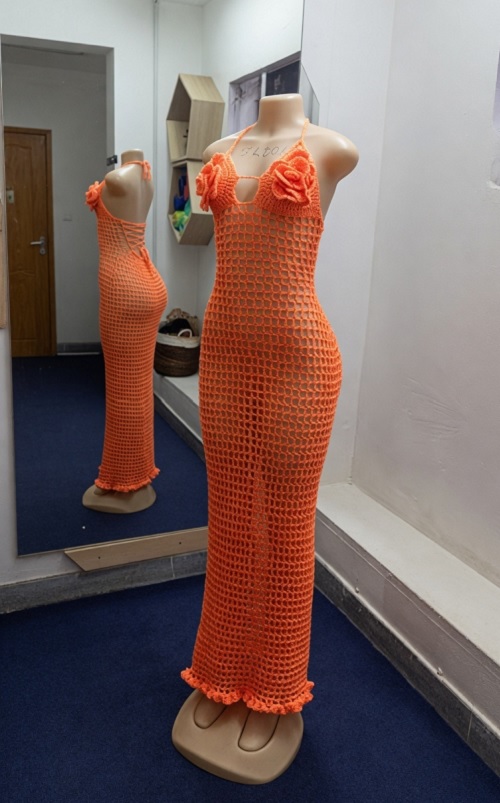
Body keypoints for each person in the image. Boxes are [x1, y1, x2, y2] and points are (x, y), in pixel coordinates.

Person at [172, 95, 358, 783]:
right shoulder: (220, 150)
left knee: (283, 531)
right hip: (224, 354)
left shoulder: (333, 149)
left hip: (299, 359)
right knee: (228, 523)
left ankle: (274, 689)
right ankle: (221, 671)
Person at [82, 150, 167, 514]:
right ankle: (136, 473)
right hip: (144, 277)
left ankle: (123, 479)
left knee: (122, 390)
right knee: (137, 388)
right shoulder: (145, 178)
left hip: (123, 287)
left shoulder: (119, 178)